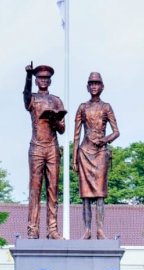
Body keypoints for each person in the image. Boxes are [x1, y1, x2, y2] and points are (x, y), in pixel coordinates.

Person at [72, 72, 120, 239]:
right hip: (84, 152)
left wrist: (104, 140)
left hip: (100, 154)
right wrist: (74, 159)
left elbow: (116, 132)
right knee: (85, 196)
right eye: (91, 83)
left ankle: (100, 230)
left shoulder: (106, 107)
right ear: (87, 86)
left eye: (97, 83)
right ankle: (87, 230)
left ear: (102, 87)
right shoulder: (82, 107)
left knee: (99, 195)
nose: (94, 86)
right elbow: (76, 135)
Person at [24, 62, 66, 239]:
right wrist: (27, 76)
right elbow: (25, 97)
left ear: (50, 81)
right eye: (40, 78)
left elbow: (62, 129)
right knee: (35, 190)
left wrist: (54, 120)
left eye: (46, 78)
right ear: (36, 80)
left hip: (52, 147)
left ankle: (52, 229)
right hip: (36, 147)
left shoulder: (56, 100)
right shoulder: (32, 98)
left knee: (53, 189)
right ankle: (33, 229)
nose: (43, 81)